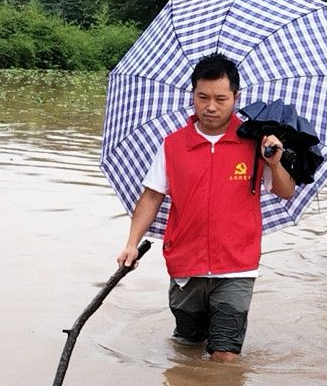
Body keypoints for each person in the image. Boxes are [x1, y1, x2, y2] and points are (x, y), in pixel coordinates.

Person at [116, 53, 295, 362]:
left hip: (237, 264)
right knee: (187, 349)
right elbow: (151, 196)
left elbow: (286, 191)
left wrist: (274, 163)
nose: (211, 107)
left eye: (221, 99)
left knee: (224, 356)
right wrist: (131, 244)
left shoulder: (256, 143)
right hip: (186, 264)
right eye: (203, 97)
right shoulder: (173, 144)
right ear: (193, 95)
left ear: (236, 97)